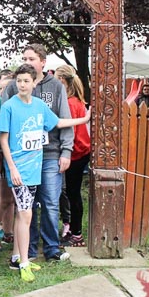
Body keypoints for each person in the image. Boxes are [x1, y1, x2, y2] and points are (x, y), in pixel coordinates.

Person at [0, 64, 91, 281]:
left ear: (34, 83)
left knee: (25, 213)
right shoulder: (9, 106)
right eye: (19, 81)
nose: (22, 85)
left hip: (35, 168)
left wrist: (84, 120)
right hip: (18, 170)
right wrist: (11, 168)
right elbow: (3, 140)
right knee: (25, 214)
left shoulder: (39, 106)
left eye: (26, 81)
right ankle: (24, 262)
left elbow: (58, 122)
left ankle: (18, 258)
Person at [1, 44, 75, 263]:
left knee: (51, 202)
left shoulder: (56, 85)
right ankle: (29, 249)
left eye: (32, 58)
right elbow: (5, 122)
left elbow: (63, 119)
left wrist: (66, 150)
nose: (28, 62)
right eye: (24, 58)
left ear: (43, 62)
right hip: (24, 157)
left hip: (50, 153)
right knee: (26, 205)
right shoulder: (15, 86)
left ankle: (52, 248)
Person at [54, 65, 91, 248]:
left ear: (62, 80)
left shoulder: (69, 103)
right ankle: (74, 231)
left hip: (76, 153)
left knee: (73, 194)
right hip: (81, 151)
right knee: (72, 193)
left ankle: (76, 234)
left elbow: (70, 132)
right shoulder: (77, 101)